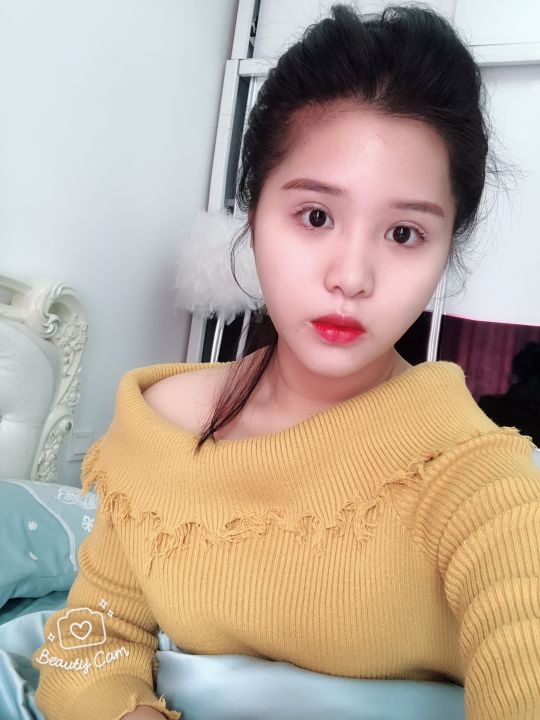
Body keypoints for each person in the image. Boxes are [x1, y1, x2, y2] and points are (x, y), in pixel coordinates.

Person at [32, 4, 540, 720]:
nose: (351, 276)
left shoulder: (476, 480)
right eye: (316, 216)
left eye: (403, 233)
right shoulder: (157, 434)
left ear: (447, 247)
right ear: (254, 212)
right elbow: (92, 636)